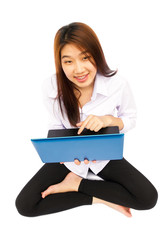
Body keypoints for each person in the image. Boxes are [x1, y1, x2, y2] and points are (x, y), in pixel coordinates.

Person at [15, 22, 158, 218]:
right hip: (68, 159)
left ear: (96, 54)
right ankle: (99, 197)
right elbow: (56, 126)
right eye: (68, 61)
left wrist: (108, 120)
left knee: (147, 198)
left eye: (85, 58)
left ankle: (77, 184)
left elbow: (130, 118)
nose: (79, 69)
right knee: (25, 205)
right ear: (60, 62)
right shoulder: (50, 86)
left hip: (103, 156)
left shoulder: (117, 84)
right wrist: (62, 151)